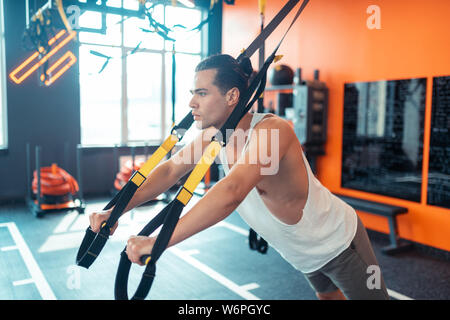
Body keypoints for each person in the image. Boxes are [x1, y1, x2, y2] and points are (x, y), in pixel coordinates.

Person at [89, 54, 389, 300]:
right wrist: (115, 210)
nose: (192, 103)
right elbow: (169, 170)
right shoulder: (213, 136)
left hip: (338, 244)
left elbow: (232, 190)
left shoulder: (272, 132)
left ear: (232, 96)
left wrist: (159, 242)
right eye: (193, 93)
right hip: (304, 254)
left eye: (202, 93)